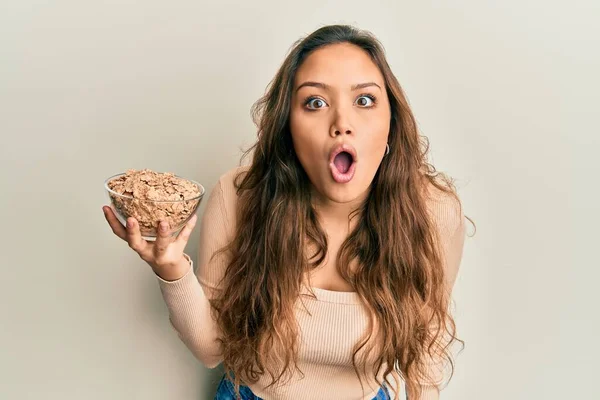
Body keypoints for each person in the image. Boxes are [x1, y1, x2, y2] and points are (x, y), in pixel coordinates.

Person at [103, 24, 473, 400]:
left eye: (364, 100)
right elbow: (211, 349)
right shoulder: (240, 194)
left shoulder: (432, 211)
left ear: (391, 124)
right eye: (315, 102)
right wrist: (171, 269)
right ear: (287, 129)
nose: (342, 124)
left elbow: (428, 345)